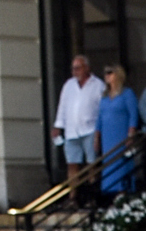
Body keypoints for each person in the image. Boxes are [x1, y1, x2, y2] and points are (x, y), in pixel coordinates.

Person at [52, 53, 101, 188]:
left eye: (78, 68)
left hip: (90, 129)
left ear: (86, 68)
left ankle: (92, 196)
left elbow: (101, 110)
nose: (75, 71)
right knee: (72, 164)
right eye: (73, 68)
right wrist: (58, 125)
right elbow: (62, 106)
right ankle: (73, 197)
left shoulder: (98, 85)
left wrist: (99, 131)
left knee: (91, 163)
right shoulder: (69, 85)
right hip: (72, 130)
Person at [96, 65, 140, 196]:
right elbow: (100, 117)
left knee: (121, 165)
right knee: (109, 164)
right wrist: (96, 136)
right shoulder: (104, 97)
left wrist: (131, 134)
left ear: (118, 75)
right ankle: (112, 194)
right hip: (107, 137)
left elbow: (133, 115)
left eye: (110, 73)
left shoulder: (127, 94)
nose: (107, 76)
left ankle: (122, 194)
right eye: (105, 73)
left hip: (121, 135)